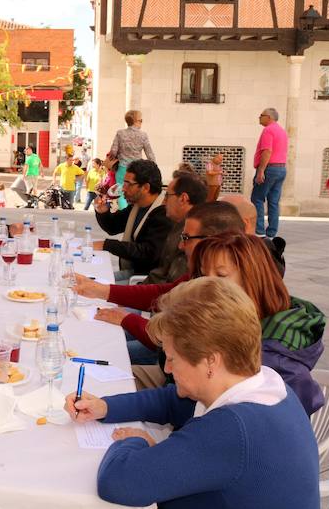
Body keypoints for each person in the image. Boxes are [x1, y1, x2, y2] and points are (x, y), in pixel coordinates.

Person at [65, 277, 320, 509]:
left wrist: (140, 443)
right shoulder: (265, 384)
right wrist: (105, 406)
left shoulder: (232, 429)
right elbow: (171, 401)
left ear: (211, 361)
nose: (167, 369)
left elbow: (117, 481)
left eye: (173, 358)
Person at [73, 201, 247, 371]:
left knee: (100, 352)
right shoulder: (202, 272)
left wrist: (126, 318)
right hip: (170, 362)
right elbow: (165, 295)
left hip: (171, 365)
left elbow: (166, 339)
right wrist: (100, 290)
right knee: (94, 342)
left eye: (185, 238)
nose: (180, 245)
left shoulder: (228, 294)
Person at [189, 232, 325, 415]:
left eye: (220, 275)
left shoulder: (273, 356)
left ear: (253, 279)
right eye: (203, 275)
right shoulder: (236, 322)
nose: (206, 284)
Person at [93, 159, 172, 281]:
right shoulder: (137, 206)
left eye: (128, 184)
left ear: (145, 187)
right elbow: (113, 227)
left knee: (94, 289)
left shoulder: (164, 213)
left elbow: (148, 253)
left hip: (148, 280)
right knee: (91, 280)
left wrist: (107, 245)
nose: (123, 188)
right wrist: (103, 211)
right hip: (133, 272)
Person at [142, 172, 207, 285]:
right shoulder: (178, 224)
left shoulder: (192, 233)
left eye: (167, 195)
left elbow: (172, 286)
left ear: (183, 199)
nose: (163, 201)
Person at [251, 107, 288, 238]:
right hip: (281, 168)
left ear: (269, 117)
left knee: (257, 199)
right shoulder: (282, 131)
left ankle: (259, 231)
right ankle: (272, 233)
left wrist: (261, 170)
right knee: (273, 201)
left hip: (269, 168)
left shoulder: (268, 130)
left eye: (261, 115)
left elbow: (267, 151)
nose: (259, 117)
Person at [109, 110, 155, 210]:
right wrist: (154, 167)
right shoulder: (143, 135)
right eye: (141, 120)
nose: (141, 123)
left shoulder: (120, 133)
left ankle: (124, 212)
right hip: (137, 170)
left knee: (121, 192)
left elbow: (113, 151)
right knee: (136, 191)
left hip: (122, 169)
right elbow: (150, 154)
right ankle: (133, 212)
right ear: (135, 121)